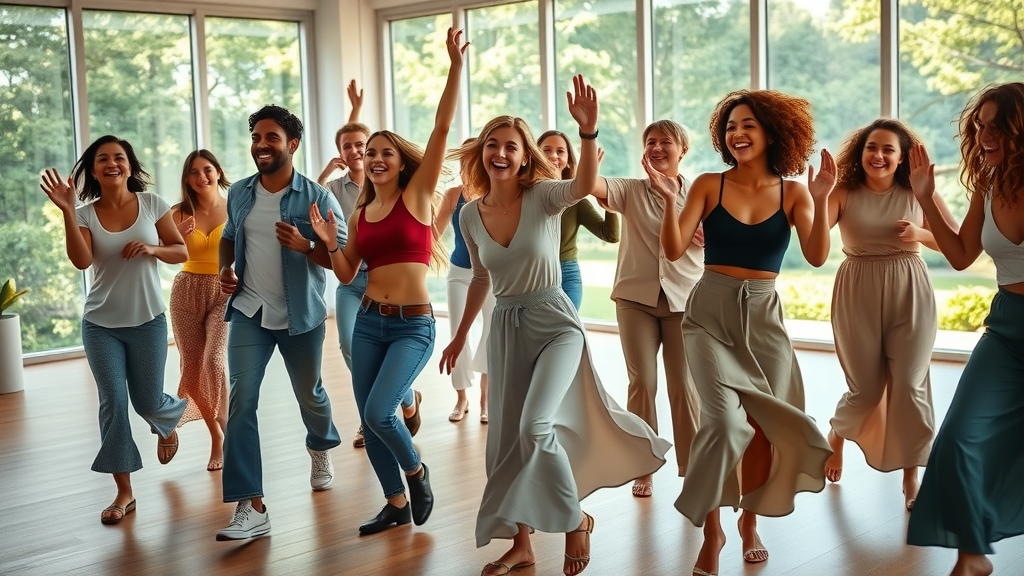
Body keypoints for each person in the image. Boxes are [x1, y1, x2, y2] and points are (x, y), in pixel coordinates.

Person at [439, 75, 671, 576]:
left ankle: (573, 523)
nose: (501, 153)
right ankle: (522, 544)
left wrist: (586, 134)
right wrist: (460, 336)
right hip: (505, 326)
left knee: (534, 425)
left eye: (511, 147)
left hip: (554, 321)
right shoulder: (471, 217)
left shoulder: (544, 196)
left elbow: (585, 186)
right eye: (493, 145)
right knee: (505, 440)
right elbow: (480, 276)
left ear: (524, 157)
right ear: (482, 154)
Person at [657, 90, 835, 576]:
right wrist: (673, 198)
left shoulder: (794, 192)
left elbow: (818, 255)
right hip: (709, 313)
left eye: (749, 125)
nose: (737, 133)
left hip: (763, 319)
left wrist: (819, 199)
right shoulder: (708, 186)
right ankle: (711, 530)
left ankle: (749, 523)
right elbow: (674, 250)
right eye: (731, 126)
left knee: (760, 431)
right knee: (722, 423)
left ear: (773, 133)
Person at [310, 27, 467, 535]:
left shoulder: (417, 196)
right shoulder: (359, 213)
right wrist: (329, 240)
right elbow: (347, 271)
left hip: (412, 326)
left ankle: (416, 472)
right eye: (369, 153)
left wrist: (454, 68)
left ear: (401, 162)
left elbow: (442, 128)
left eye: (385, 153)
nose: (375, 158)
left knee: (380, 412)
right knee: (372, 420)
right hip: (370, 324)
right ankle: (396, 502)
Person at [907, 81, 1024, 576]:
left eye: (996, 126)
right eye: (980, 126)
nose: (985, 135)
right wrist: (926, 198)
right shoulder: (989, 184)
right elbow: (960, 256)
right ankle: (972, 559)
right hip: (1006, 330)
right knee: (958, 436)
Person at [40, 135, 188, 524]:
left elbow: (180, 252)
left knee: (148, 401)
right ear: (93, 170)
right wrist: (69, 213)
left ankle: (166, 421)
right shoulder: (85, 213)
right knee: (114, 404)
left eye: (119, 157)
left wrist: (152, 249)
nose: (112, 163)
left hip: (147, 322)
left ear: (129, 165)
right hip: (101, 325)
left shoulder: (152, 205)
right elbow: (81, 260)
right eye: (103, 159)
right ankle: (124, 491)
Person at [214, 104, 346, 541]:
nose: (261, 145)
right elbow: (230, 235)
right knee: (241, 401)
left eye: (271, 138)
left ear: (291, 144)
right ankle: (251, 505)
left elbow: (341, 262)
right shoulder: (240, 192)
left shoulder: (317, 198)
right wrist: (224, 269)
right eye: (256, 137)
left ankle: (321, 447)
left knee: (310, 393)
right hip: (250, 311)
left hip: (300, 316)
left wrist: (307, 244)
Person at [822, 119, 956, 510]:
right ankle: (837, 434)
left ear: (901, 158)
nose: (878, 156)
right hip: (857, 289)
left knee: (910, 386)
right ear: (860, 152)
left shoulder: (918, 192)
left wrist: (920, 235)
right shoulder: (843, 191)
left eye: (888, 150)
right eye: (871, 148)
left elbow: (955, 242)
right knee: (864, 389)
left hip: (909, 289)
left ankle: (911, 475)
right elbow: (812, 237)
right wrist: (819, 195)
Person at [589, 119, 703, 498]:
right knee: (643, 383)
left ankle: (692, 468)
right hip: (635, 300)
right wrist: (589, 137)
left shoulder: (701, 195)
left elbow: (724, 240)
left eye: (665, 141)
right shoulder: (631, 190)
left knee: (683, 387)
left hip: (685, 301)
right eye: (650, 141)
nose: (656, 148)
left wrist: (710, 236)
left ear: (682, 149)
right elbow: (593, 185)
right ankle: (645, 464)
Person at [317, 80, 421, 448]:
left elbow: (368, 138)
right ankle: (392, 402)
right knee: (349, 346)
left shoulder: (391, 188)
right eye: (349, 147)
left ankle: (389, 405)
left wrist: (356, 112)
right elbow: (310, 209)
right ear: (341, 153)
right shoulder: (335, 190)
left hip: (386, 282)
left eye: (363, 146)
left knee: (384, 357)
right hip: (352, 282)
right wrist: (323, 177)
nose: (358, 151)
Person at [169, 149, 231, 472]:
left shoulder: (235, 206)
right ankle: (216, 435)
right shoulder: (177, 213)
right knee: (192, 372)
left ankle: (231, 432)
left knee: (214, 360)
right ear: (187, 179)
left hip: (224, 291)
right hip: (187, 292)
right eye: (194, 172)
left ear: (218, 172)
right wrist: (173, 240)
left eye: (207, 170)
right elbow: (157, 252)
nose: (202, 177)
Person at [435, 139, 496, 424]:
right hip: (460, 273)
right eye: (464, 159)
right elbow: (432, 235)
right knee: (457, 333)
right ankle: (461, 398)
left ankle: (486, 398)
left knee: (491, 334)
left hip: (493, 276)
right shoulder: (452, 195)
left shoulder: (496, 193)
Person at [537, 130, 619, 310]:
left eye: (560, 151)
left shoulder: (576, 201)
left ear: (568, 160)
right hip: (535, 274)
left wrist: (609, 205)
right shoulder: (525, 195)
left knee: (567, 332)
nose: (553, 156)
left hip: (567, 274)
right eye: (546, 150)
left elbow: (611, 235)